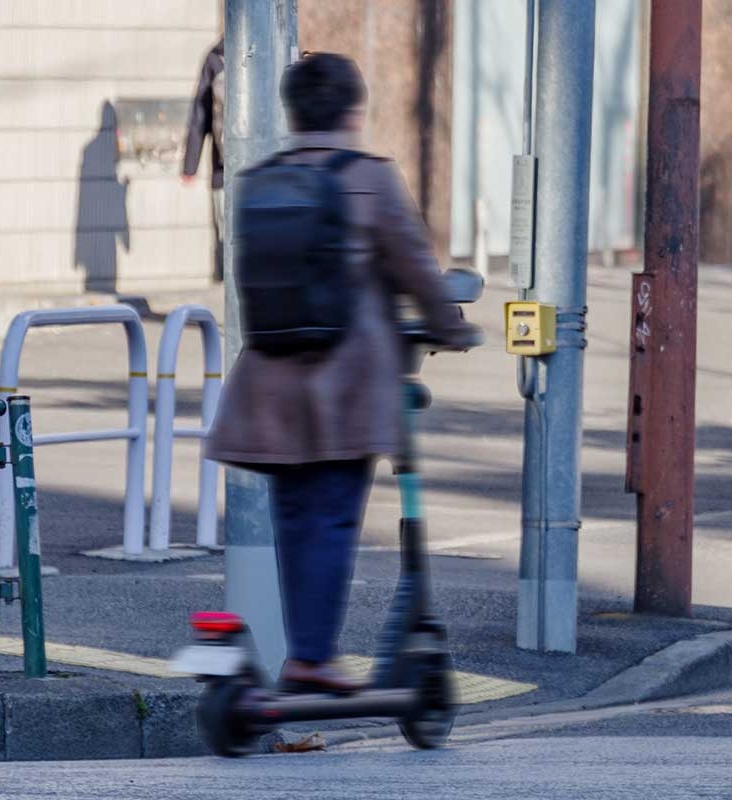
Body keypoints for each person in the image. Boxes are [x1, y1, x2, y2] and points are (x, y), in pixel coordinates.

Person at [204, 53, 476, 695]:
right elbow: (414, 268)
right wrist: (453, 327)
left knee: (295, 517)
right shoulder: (369, 179)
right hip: (342, 387)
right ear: (354, 111)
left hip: (267, 384)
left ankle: (304, 651)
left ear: (291, 112)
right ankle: (311, 658)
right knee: (331, 519)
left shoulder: (256, 179)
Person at [182, 38, 226, 281]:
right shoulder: (271, 46)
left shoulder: (215, 56)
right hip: (263, 171)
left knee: (228, 241)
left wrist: (190, 166)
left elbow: (200, 114)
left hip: (223, 170)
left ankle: (235, 314)